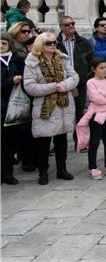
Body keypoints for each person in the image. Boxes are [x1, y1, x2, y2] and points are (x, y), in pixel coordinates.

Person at [23, 32, 79, 185]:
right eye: (48, 43)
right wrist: (53, 87)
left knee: (62, 139)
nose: (53, 45)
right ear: (41, 44)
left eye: (54, 42)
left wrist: (64, 86)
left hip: (63, 104)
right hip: (45, 106)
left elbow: (74, 77)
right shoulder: (32, 61)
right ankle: (43, 172)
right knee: (44, 141)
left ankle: (62, 169)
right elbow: (29, 86)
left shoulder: (62, 58)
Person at [56, 15, 93, 149]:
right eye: (67, 24)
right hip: (62, 83)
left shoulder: (83, 42)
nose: (71, 26)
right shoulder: (55, 43)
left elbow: (91, 60)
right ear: (61, 27)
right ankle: (59, 143)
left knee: (79, 112)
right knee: (60, 113)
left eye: (72, 23)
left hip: (80, 82)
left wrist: (87, 75)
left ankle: (79, 141)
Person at [1, 32, 26, 184]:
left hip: (14, 105)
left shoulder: (16, 59)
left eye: (3, 43)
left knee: (10, 142)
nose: (1, 46)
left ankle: (7, 173)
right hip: (2, 104)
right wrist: (11, 80)